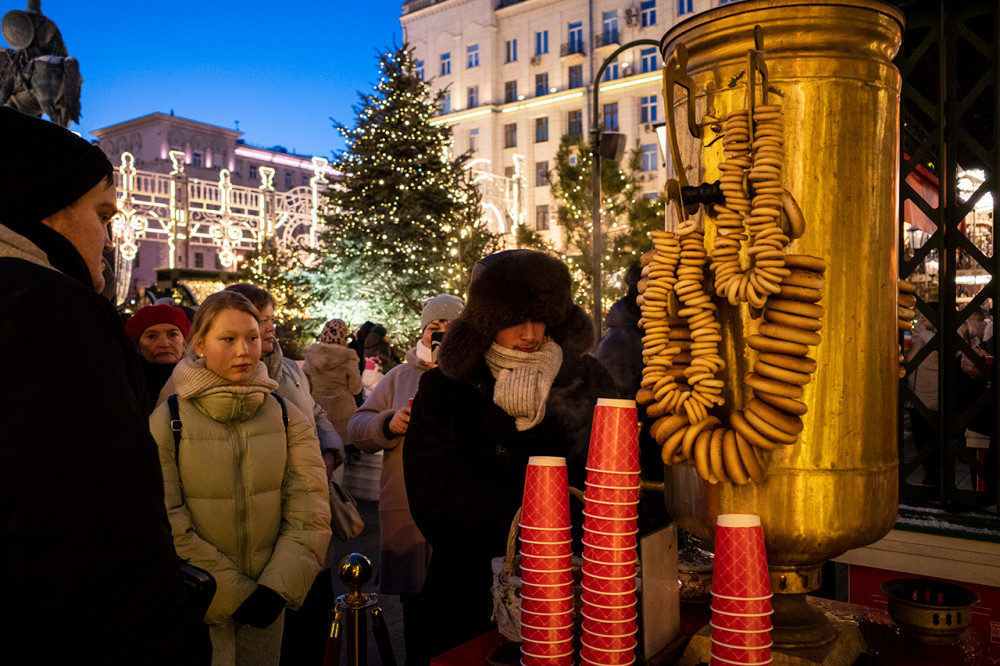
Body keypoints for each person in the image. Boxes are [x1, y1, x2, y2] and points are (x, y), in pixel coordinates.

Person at [0, 107, 210, 662]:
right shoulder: (49, 309)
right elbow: (94, 534)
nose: (111, 241)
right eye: (103, 215)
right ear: (44, 211)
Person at [403, 250, 617, 663]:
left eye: (540, 318)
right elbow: (437, 501)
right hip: (471, 593)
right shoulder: (447, 390)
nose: (530, 334)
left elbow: (619, 470)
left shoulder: (590, 378)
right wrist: (542, 519)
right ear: (486, 320)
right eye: (514, 319)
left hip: (581, 588)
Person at [149, 290, 332, 665]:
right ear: (200, 344)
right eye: (228, 339)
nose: (244, 350)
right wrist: (232, 593)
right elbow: (164, 518)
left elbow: (309, 509)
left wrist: (277, 587)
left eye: (251, 337)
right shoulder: (168, 420)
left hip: (269, 600)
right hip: (198, 598)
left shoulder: (285, 415)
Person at [221, 283, 346, 666]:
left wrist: (327, 449)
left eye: (271, 319)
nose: (269, 328)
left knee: (314, 617)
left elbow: (316, 412)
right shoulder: (230, 374)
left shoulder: (291, 368)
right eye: (261, 321)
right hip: (263, 513)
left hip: (309, 507)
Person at [348, 293, 464, 664]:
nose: (442, 335)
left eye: (452, 328)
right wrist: (388, 422)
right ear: (422, 332)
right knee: (418, 623)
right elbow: (358, 427)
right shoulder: (399, 376)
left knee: (461, 625)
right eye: (435, 328)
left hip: (460, 516)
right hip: (410, 516)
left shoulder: (476, 374)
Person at [303, 318, 363, 446]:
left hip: (317, 409)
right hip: (343, 411)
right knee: (340, 454)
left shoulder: (312, 353)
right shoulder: (349, 357)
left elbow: (305, 385)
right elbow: (355, 388)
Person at [126, 303, 191, 411]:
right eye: (151, 336)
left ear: (184, 344)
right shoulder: (130, 384)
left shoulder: (199, 378)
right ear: (139, 346)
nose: (164, 344)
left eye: (173, 334)